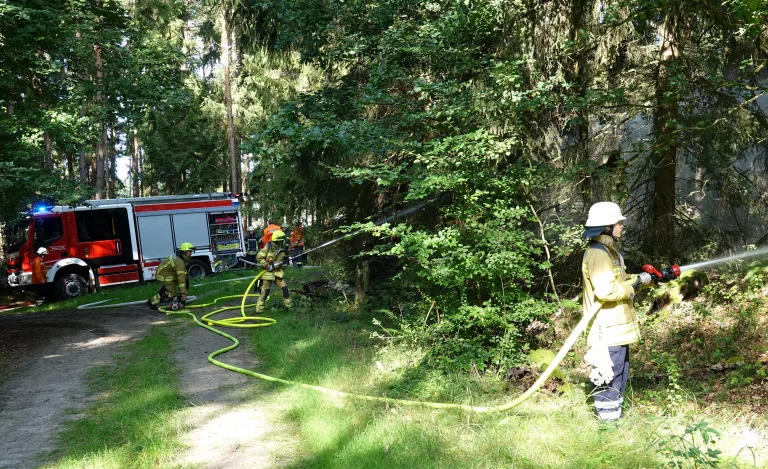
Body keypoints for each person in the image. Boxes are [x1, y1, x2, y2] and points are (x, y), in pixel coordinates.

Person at [581, 202, 640, 423]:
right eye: (618, 222)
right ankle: (608, 425)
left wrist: (647, 279)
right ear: (606, 227)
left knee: (619, 375)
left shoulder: (608, 251)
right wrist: (630, 288)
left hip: (617, 328)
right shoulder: (598, 254)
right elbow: (606, 290)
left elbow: (621, 282)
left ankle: (615, 419)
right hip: (606, 329)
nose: (621, 225)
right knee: (608, 378)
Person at [147, 242, 194, 310]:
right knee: (171, 295)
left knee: (185, 278)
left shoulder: (181, 258)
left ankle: (179, 298)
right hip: (163, 276)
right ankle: (151, 302)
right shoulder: (179, 261)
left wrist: (183, 292)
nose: (191, 253)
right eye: (190, 252)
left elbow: (183, 275)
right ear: (184, 252)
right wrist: (183, 292)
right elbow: (180, 277)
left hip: (169, 274)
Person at [256, 229, 292, 313]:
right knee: (265, 292)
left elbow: (284, 259)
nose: (283, 242)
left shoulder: (282, 249)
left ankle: (290, 308)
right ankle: (259, 309)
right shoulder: (268, 247)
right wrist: (267, 265)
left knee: (285, 290)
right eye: (281, 240)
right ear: (277, 240)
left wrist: (283, 264)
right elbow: (259, 258)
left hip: (278, 272)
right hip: (268, 273)